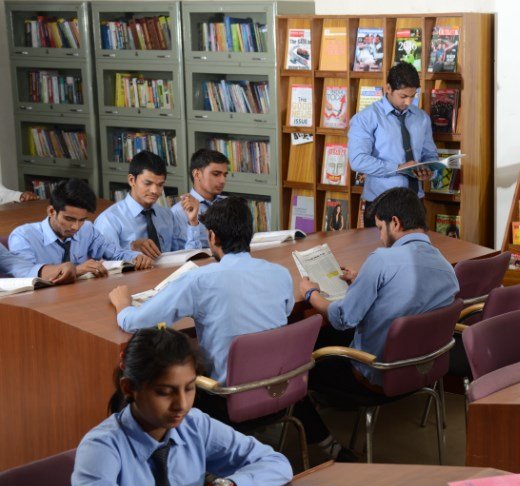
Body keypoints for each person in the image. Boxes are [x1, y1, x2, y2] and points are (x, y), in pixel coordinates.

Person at [68, 326, 292, 486]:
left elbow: (276, 462)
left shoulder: (194, 425)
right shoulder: (102, 446)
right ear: (130, 388)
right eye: (165, 392)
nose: (182, 404)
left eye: (190, 387)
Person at [293, 187, 459, 459]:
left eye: (381, 228)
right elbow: (408, 297)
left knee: (297, 359)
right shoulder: (447, 267)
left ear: (395, 222)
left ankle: (327, 444)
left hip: (375, 373)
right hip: (418, 370)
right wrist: (362, 281)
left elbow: (342, 318)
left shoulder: (382, 259)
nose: (381, 238)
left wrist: (311, 294)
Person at [108, 197, 294, 389]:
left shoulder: (199, 280)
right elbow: (286, 312)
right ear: (250, 234)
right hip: (278, 388)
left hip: (225, 396)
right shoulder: (281, 273)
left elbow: (138, 323)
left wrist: (123, 306)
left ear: (212, 237)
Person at [348, 62, 438, 227]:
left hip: (415, 202)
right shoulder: (366, 118)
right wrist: (399, 167)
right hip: (381, 203)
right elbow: (358, 160)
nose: (409, 102)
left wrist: (429, 170)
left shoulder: (422, 118)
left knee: (416, 252)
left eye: (413, 95)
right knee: (379, 252)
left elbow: (430, 155)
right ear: (388, 88)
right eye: (403, 96)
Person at [9, 179, 151, 277]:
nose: (76, 226)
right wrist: (75, 270)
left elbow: (115, 253)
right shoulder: (23, 236)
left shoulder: (87, 229)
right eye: (69, 219)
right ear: (51, 211)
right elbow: (26, 275)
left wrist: (137, 257)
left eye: (82, 220)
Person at [95, 151, 203, 258]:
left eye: (160, 185)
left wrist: (193, 222)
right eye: (148, 183)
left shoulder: (167, 215)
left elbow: (184, 256)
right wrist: (131, 249)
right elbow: (105, 263)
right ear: (132, 180)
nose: (155, 191)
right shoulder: (109, 219)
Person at [172, 149, 229, 248]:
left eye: (225, 175)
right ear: (197, 174)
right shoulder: (178, 213)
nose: (223, 180)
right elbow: (185, 258)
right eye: (216, 174)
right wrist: (193, 223)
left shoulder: (229, 204)